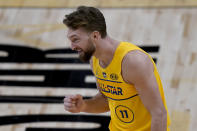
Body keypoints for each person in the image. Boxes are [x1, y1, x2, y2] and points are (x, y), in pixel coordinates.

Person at [63, 6, 170, 131]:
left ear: (95, 36)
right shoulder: (95, 59)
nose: (72, 47)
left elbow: (159, 114)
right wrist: (83, 106)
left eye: (75, 40)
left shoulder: (133, 62)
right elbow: (107, 99)